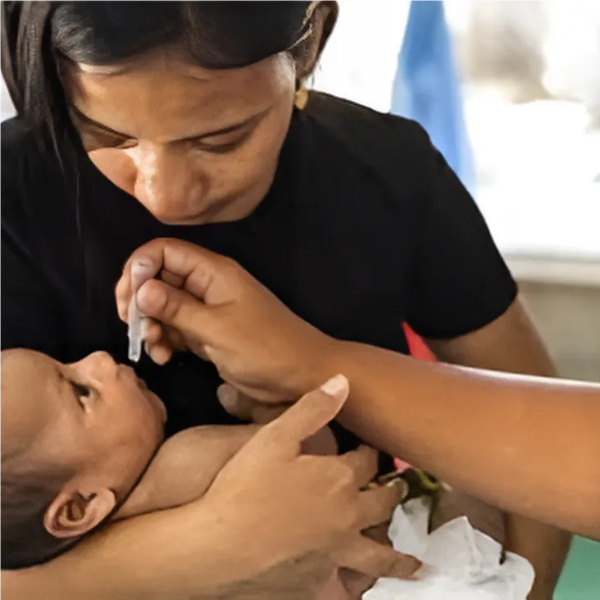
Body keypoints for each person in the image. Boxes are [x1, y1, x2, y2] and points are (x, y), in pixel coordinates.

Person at [0, 1, 568, 597]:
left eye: (219, 140)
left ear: (311, 41)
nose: (164, 196)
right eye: (106, 134)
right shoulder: (15, 199)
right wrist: (217, 544)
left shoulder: (386, 171)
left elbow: (544, 460)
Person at [116, 237, 600, 544]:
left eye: (224, 140)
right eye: (79, 393)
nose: (97, 363)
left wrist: (313, 370)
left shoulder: (386, 165)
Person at [0, 347, 412, 598]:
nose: (99, 360)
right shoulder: (188, 462)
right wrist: (266, 405)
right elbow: (317, 454)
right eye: (81, 391)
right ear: (80, 506)